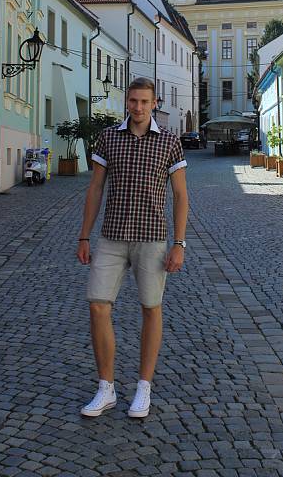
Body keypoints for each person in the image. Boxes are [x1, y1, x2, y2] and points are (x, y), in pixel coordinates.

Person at [77, 77, 189, 419]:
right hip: (112, 236)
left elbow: (181, 195)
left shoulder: (169, 142)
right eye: (133, 101)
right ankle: (106, 388)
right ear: (126, 102)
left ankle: (143, 387)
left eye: (144, 102)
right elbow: (95, 188)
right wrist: (84, 235)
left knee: (151, 309)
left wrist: (179, 243)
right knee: (98, 306)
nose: (138, 107)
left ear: (154, 104)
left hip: (153, 238)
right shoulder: (109, 137)